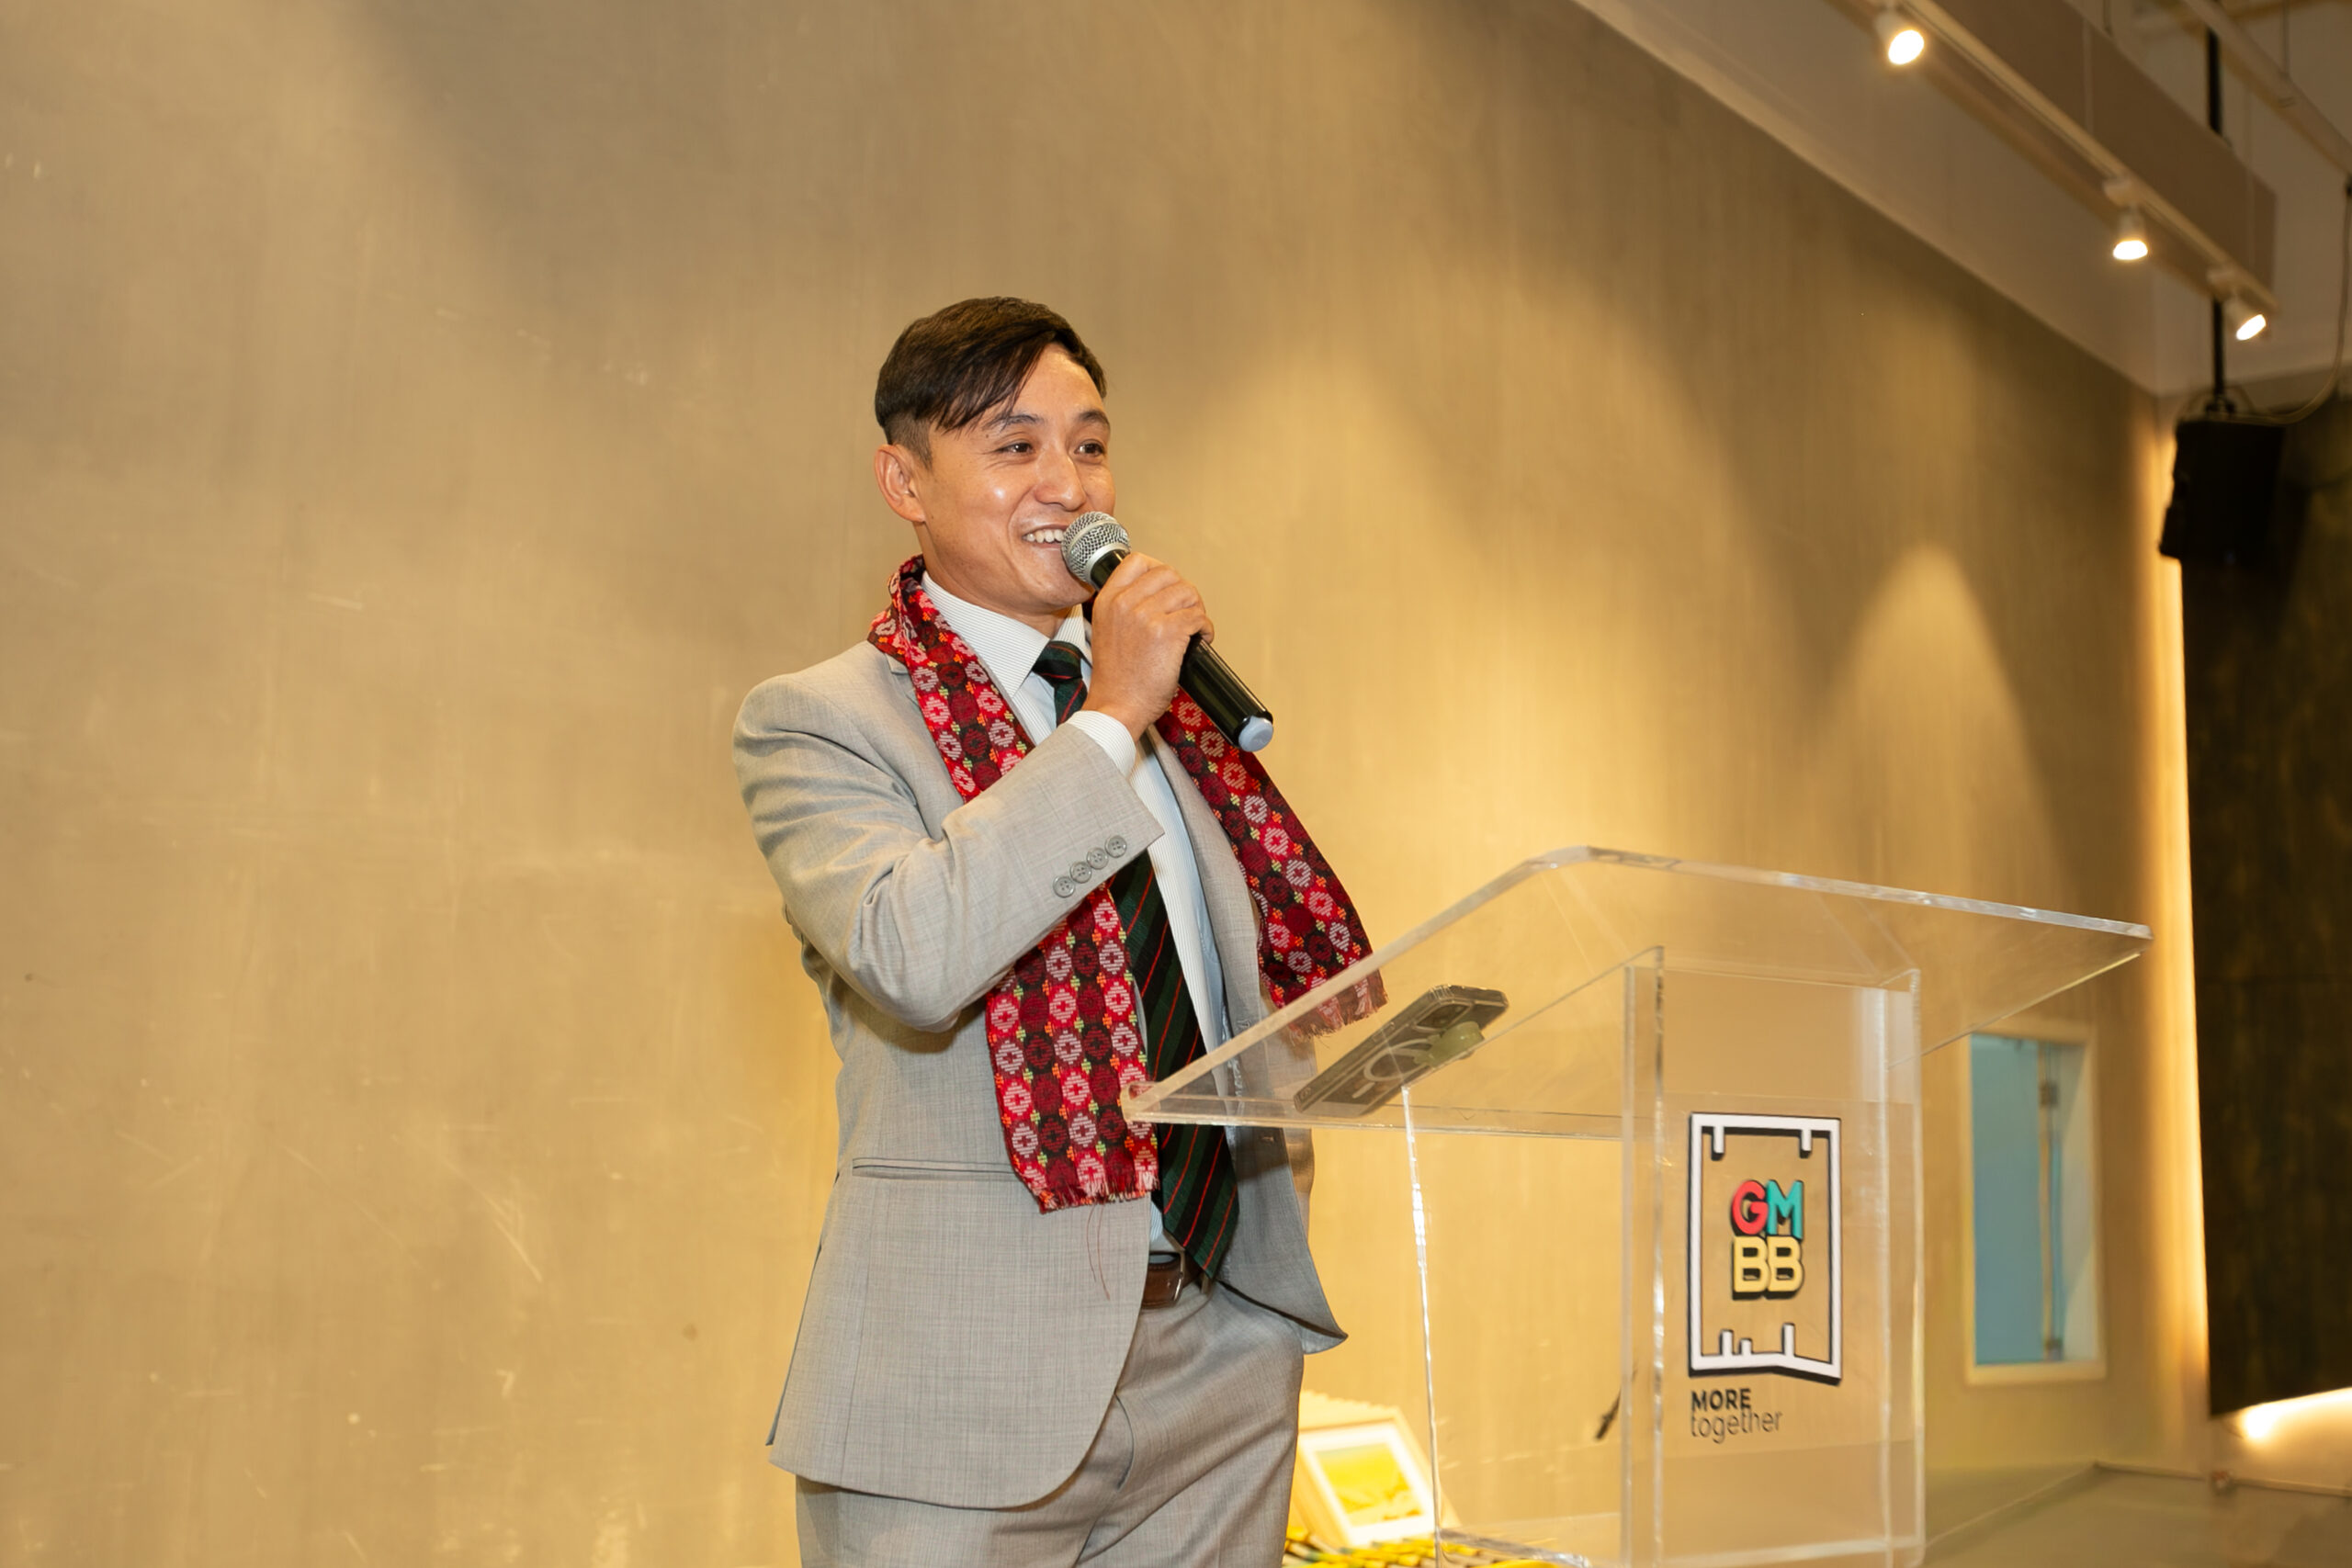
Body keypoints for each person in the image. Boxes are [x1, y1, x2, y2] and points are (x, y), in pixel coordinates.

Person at [732, 297, 1374, 1567]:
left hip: (1221, 1352)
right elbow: (912, 955)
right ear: (904, 483)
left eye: (1089, 445)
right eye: (1014, 446)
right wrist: (1108, 719)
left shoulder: (1183, 730)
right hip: (965, 1373)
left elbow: (1211, 1004)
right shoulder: (823, 722)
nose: (1067, 486)